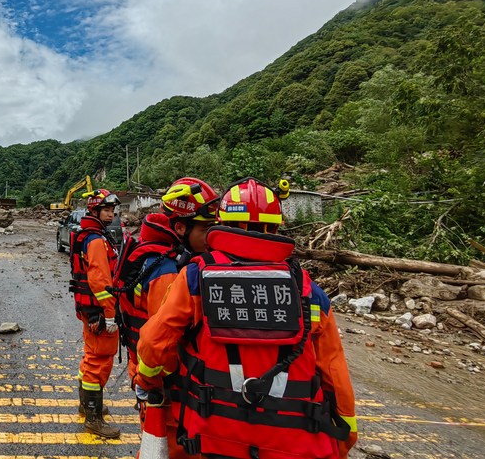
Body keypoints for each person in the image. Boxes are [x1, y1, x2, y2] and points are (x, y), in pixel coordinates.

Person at [135, 177, 357, 459]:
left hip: (210, 438)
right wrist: (343, 438)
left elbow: (153, 344)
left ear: (222, 224)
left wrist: (148, 382)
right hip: (293, 445)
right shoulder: (308, 291)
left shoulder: (195, 277)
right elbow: (335, 376)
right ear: (276, 227)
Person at [116, 178, 220, 458]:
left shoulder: (156, 253)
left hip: (149, 374)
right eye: (205, 229)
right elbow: (161, 343)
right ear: (181, 228)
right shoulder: (168, 270)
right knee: (168, 449)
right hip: (165, 386)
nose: (212, 237)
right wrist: (152, 382)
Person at [69, 188, 122, 438]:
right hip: (99, 312)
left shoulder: (87, 235)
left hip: (89, 310)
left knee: (91, 356)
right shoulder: (96, 240)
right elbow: (101, 281)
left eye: (112, 210)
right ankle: (93, 418)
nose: (111, 214)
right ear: (95, 211)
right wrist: (110, 314)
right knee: (99, 360)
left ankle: (87, 404)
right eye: (107, 210)